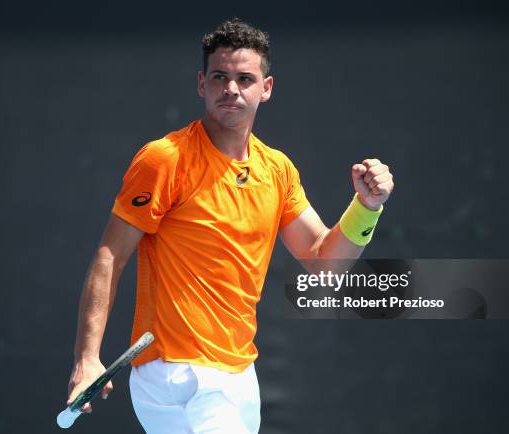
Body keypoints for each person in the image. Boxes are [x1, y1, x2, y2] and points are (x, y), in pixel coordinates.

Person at [66, 18, 394, 433]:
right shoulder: (165, 159)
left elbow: (323, 263)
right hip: (178, 371)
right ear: (202, 84)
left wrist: (367, 206)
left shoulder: (277, 170)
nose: (231, 89)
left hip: (239, 374)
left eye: (244, 78)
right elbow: (110, 254)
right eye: (220, 77)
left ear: (266, 88)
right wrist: (87, 357)